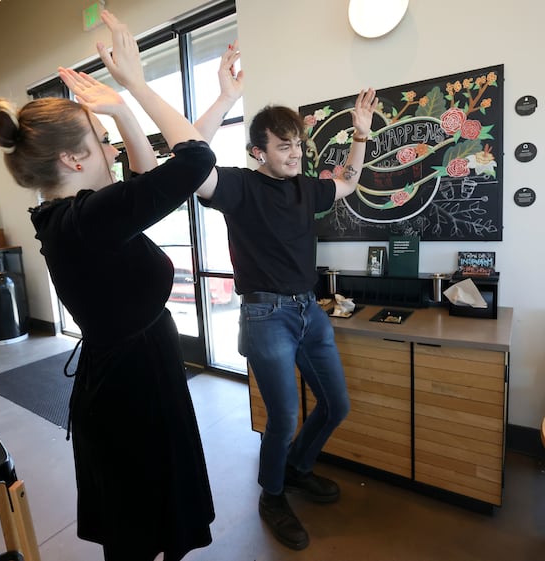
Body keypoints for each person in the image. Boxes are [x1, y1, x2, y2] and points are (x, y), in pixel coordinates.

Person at [0, 10, 237, 561]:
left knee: (152, 516)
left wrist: (121, 111)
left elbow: (151, 175)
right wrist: (136, 86)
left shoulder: (72, 215)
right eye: (102, 141)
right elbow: (193, 161)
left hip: (138, 373)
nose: (115, 149)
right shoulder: (86, 220)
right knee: (139, 527)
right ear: (73, 158)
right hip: (129, 389)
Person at [195, 49, 378, 550]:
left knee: (335, 405)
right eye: (283, 148)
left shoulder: (305, 189)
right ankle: (271, 495)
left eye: (297, 145)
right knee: (284, 418)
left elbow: (349, 181)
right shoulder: (238, 187)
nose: (295, 155)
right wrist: (223, 97)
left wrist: (361, 132)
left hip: (309, 311)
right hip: (264, 315)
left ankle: (296, 469)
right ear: (258, 151)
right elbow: (191, 165)